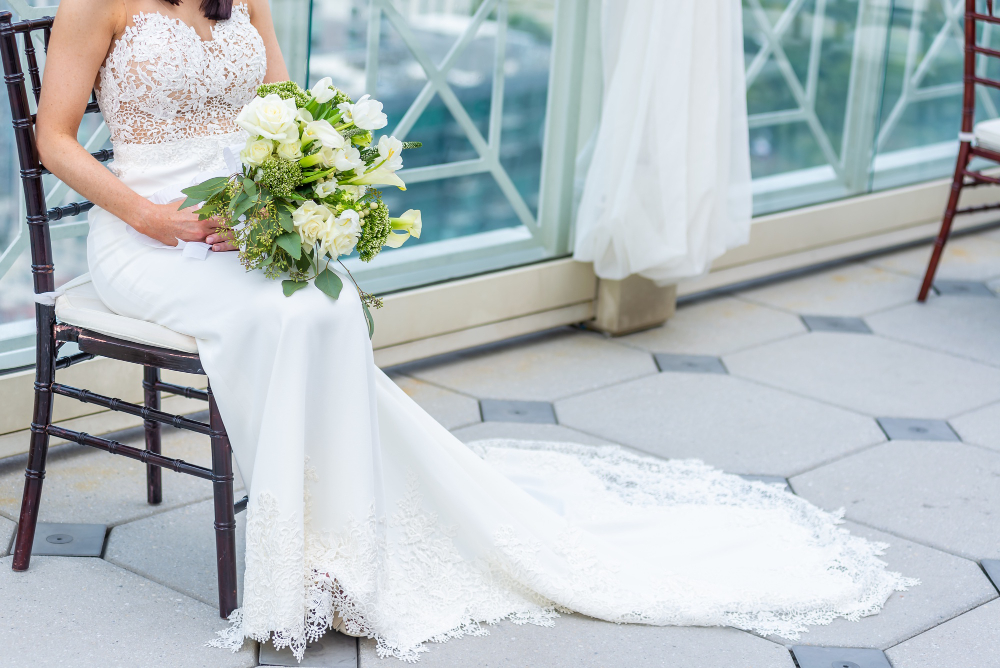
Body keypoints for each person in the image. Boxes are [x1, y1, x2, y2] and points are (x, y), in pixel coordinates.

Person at [35, 0, 913, 661]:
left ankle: (339, 547)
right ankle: (293, 555)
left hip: (246, 223)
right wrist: (151, 216)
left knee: (328, 305)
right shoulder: (97, 0)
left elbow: (281, 101)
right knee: (275, 316)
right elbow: (55, 138)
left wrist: (297, 193)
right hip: (142, 233)